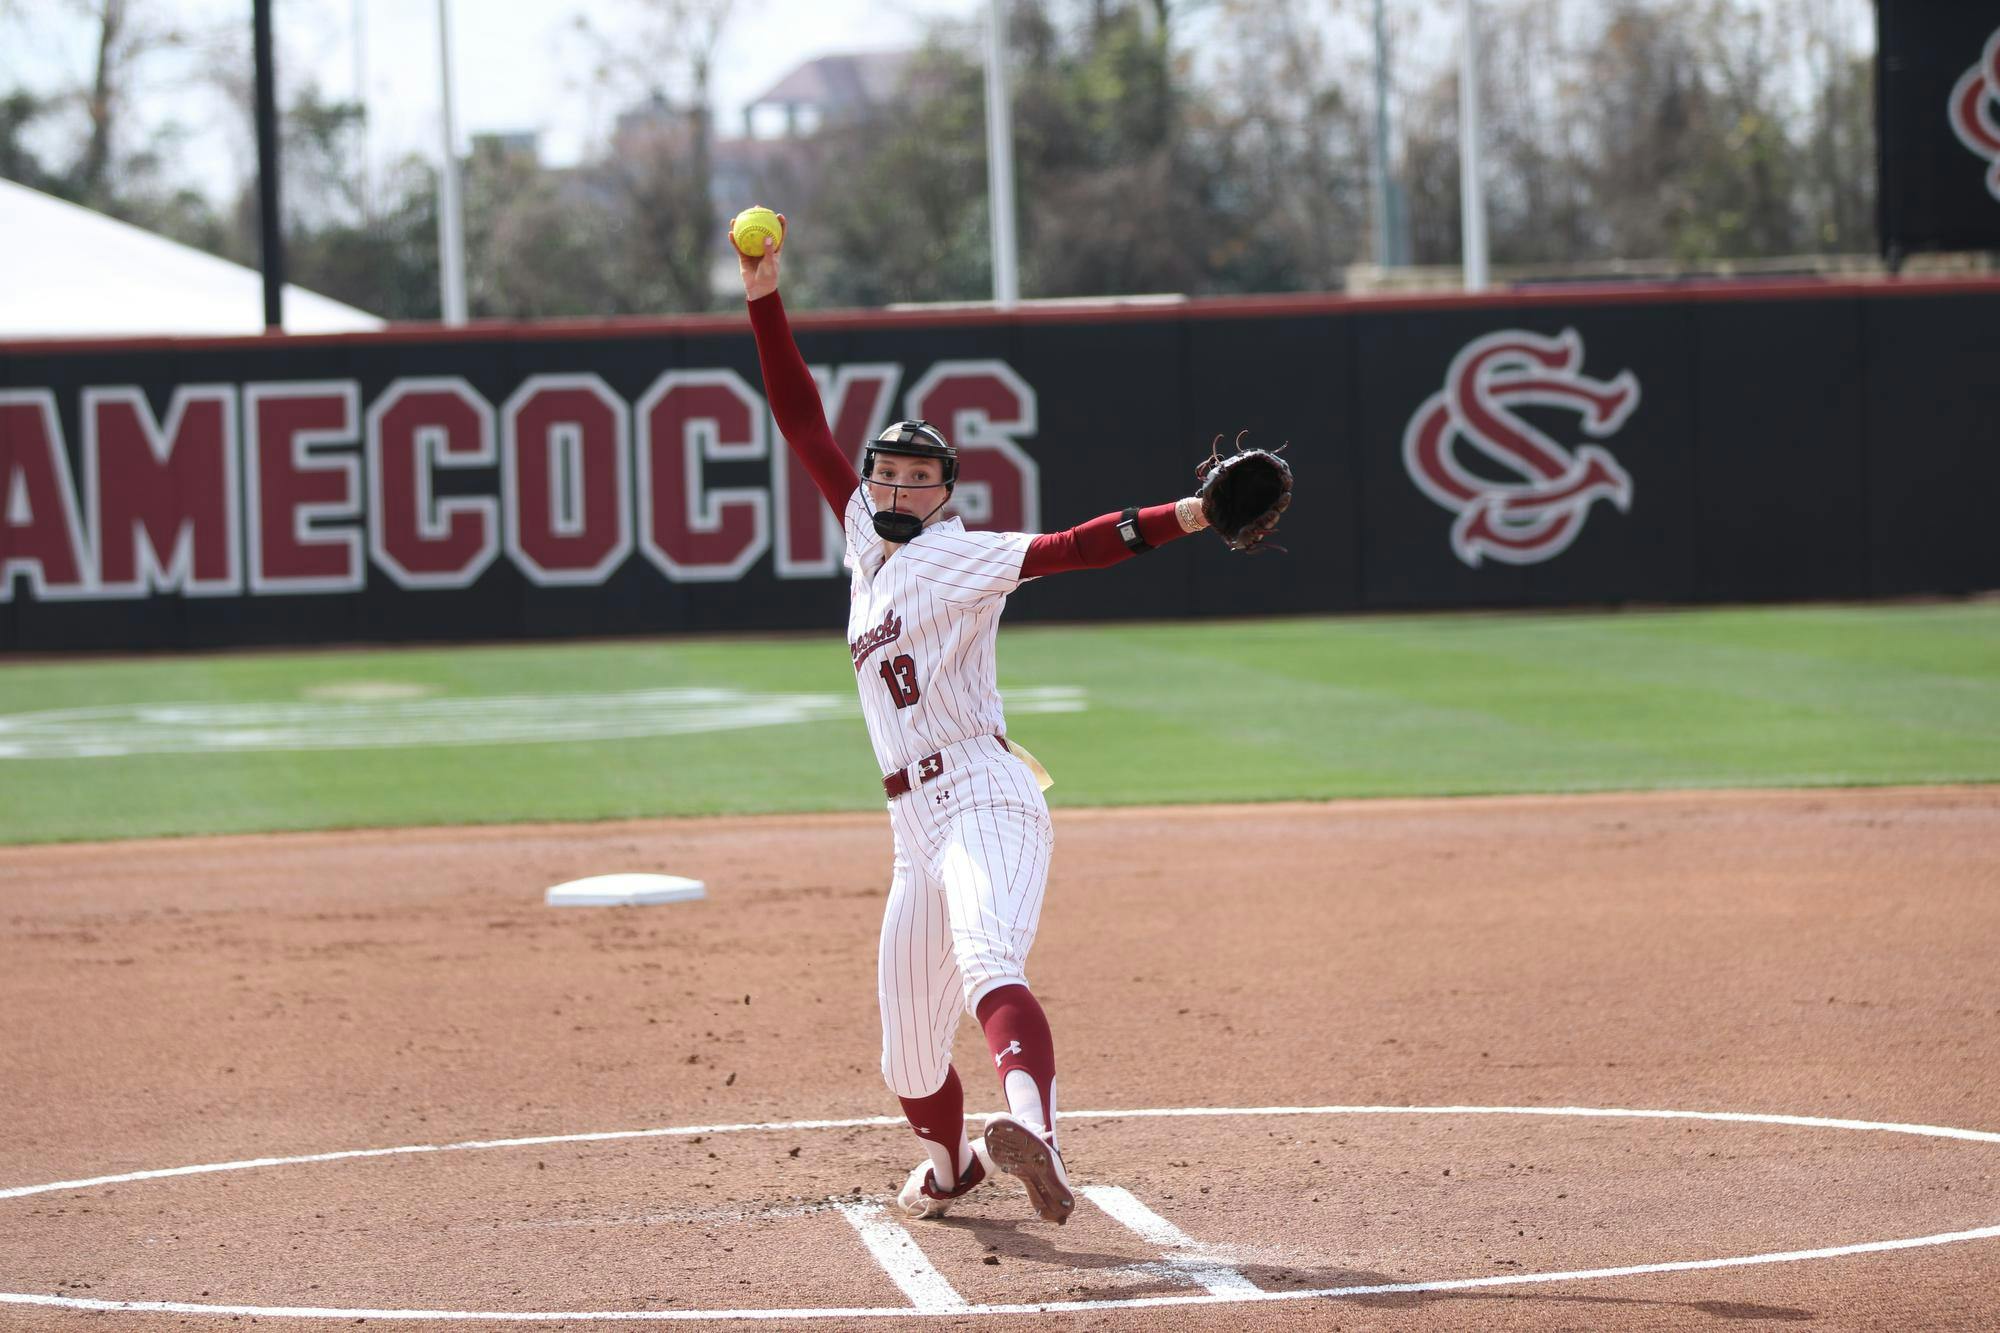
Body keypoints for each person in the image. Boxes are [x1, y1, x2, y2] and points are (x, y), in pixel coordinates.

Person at [735, 213, 1217, 1226]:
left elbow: (1073, 548)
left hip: (982, 792)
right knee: (905, 1054)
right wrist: (762, 292)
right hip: (910, 830)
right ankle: (955, 1163)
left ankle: (1034, 1132)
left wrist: (1190, 513)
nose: (896, 485)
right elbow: (799, 420)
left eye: (919, 476)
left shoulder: (953, 551)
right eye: (885, 473)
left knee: (989, 957)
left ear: (947, 493)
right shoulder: (866, 547)